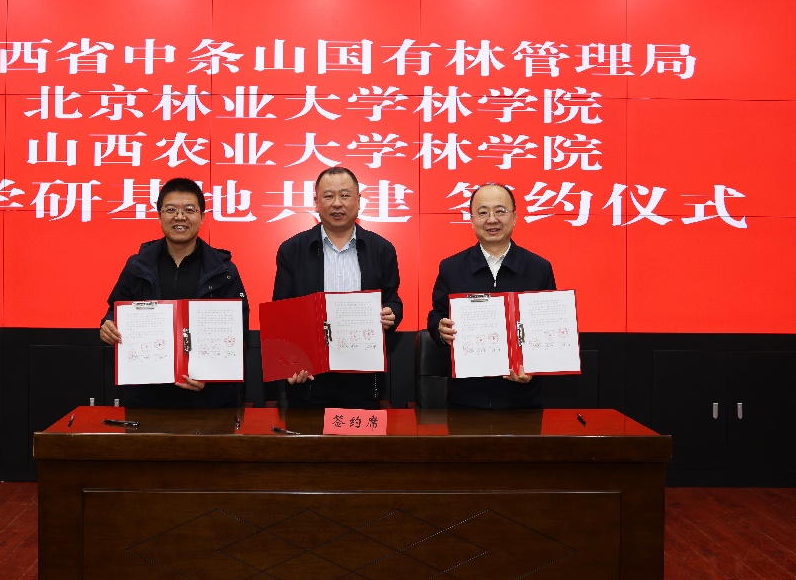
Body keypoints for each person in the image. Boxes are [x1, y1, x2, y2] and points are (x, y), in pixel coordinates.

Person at [99, 177, 248, 408]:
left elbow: (238, 332)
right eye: (171, 210)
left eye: (189, 210)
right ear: (159, 216)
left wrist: (210, 375)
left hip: (208, 400)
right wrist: (108, 325)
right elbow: (115, 310)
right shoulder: (137, 266)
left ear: (202, 217)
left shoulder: (224, 270)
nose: (180, 217)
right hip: (147, 396)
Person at [272, 166, 403, 409]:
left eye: (344, 195)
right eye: (328, 196)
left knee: (358, 434)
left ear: (358, 200)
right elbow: (282, 311)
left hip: (362, 375)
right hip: (309, 376)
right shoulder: (292, 250)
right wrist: (290, 363)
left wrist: (391, 314)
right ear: (316, 202)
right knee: (308, 433)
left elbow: (393, 299)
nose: (337, 203)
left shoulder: (382, 249)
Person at [427, 182, 556, 409]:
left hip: (522, 399)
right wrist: (440, 329)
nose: (492, 219)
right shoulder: (451, 267)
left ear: (514, 217)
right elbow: (436, 315)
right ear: (472, 220)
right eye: (483, 212)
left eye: (500, 211)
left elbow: (548, 329)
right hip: (466, 397)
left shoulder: (539, 268)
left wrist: (535, 368)